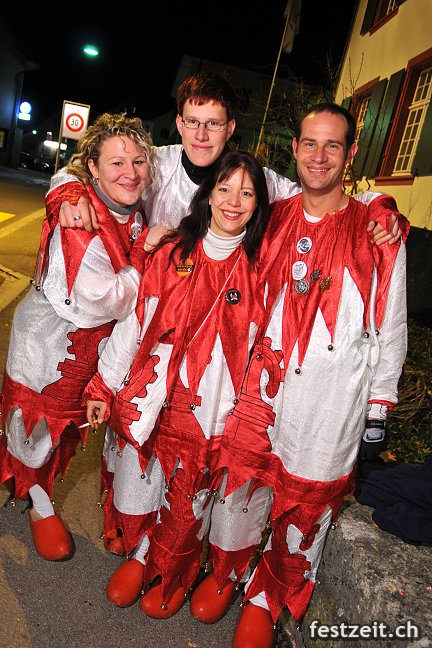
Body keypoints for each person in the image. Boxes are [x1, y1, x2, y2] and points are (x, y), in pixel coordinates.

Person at [189, 103, 408, 648]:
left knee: (305, 504)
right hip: (262, 385)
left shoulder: (376, 231)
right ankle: (227, 568)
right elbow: (214, 227)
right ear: (295, 148)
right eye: (310, 143)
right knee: (242, 483)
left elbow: (391, 320)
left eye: (333, 145)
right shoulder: (273, 214)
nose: (319, 156)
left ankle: (267, 597)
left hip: (331, 397)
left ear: (350, 154)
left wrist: (379, 403)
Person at [83, 150, 273, 618]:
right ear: (207, 195)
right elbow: (135, 322)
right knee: (144, 477)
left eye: (246, 193)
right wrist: (103, 386)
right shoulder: (172, 253)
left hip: (213, 408)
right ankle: (142, 552)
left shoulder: (261, 270)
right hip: (156, 397)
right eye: (224, 189)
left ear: (259, 204)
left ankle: (174, 567)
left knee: (191, 491)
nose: (233, 202)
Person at [0, 113, 155, 562]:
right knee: (35, 428)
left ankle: (31, 485)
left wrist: (65, 184)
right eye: (116, 163)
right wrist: (147, 258)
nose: (130, 172)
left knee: (64, 429)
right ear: (93, 169)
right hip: (48, 345)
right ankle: (38, 502)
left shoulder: (129, 205)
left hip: (92, 350)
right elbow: (106, 299)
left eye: (138, 161)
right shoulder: (80, 222)